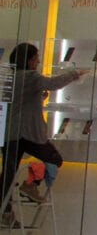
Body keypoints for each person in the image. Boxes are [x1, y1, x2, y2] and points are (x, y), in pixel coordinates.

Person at [2, 43, 84, 205]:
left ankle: (5, 212)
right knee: (54, 159)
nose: (38, 62)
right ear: (30, 60)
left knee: (8, 175)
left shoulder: (12, 79)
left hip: (9, 134)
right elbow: (53, 84)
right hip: (28, 134)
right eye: (37, 58)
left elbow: (17, 104)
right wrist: (75, 74)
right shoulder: (31, 77)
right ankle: (31, 183)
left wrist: (39, 98)